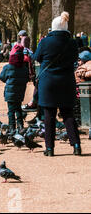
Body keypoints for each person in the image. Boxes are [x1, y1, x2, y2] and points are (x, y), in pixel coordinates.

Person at [32, 11, 81, 156]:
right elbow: (74, 58)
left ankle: (49, 148)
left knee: (49, 115)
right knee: (68, 114)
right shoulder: (72, 43)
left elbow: (36, 57)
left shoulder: (45, 42)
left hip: (48, 82)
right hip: (66, 81)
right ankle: (76, 145)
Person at [0, 45, 30, 132]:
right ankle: (20, 126)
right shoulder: (24, 68)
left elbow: (1, 77)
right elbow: (27, 79)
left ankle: (12, 127)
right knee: (18, 109)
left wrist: (8, 81)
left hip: (10, 93)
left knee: (11, 111)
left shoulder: (7, 67)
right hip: (20, 92)